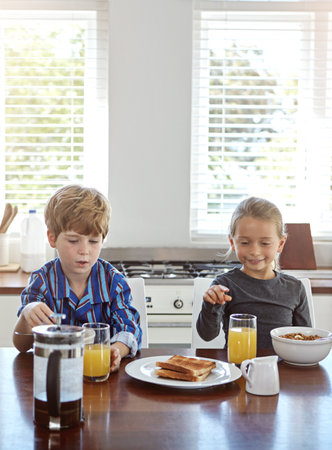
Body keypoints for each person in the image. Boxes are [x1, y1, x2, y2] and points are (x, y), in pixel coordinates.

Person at [13, 184, 142, 372]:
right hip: (55, 376)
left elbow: (129, 330)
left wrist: (117, 350)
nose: (84, 250)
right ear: (52, 238)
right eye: (73, 241)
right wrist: (27, 313)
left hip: (100, 376)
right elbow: (22, 346)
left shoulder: (113, 282)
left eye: (93, 241)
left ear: (103, 238)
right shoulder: (41, 281)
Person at [196, 196, 311, 349]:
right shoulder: (224, 286)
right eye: (244, 243)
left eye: (264, 243)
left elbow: (305, 340)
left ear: (280, 244)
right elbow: (207, 335)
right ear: (232, 242)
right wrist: (210, 305)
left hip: (281, 371)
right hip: (238, 368)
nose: (255, 251)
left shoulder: (295, 288)